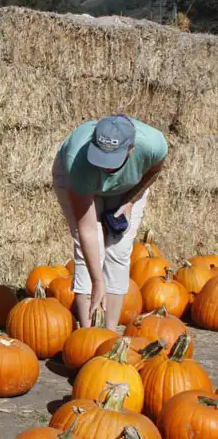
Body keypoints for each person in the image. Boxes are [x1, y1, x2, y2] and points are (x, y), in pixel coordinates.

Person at [52, 114, 167, 331]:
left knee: (119, 249)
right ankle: (87, 335)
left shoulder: (153, 144)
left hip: (127, 187)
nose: (105, 167)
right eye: (101, 159)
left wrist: (131, 201)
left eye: (111, 161)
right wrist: (97, 282)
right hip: (84, 183)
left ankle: (109, 334)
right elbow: (86, 231)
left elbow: (155, 169)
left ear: (131, 149)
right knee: (88, 248)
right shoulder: (77, 161)